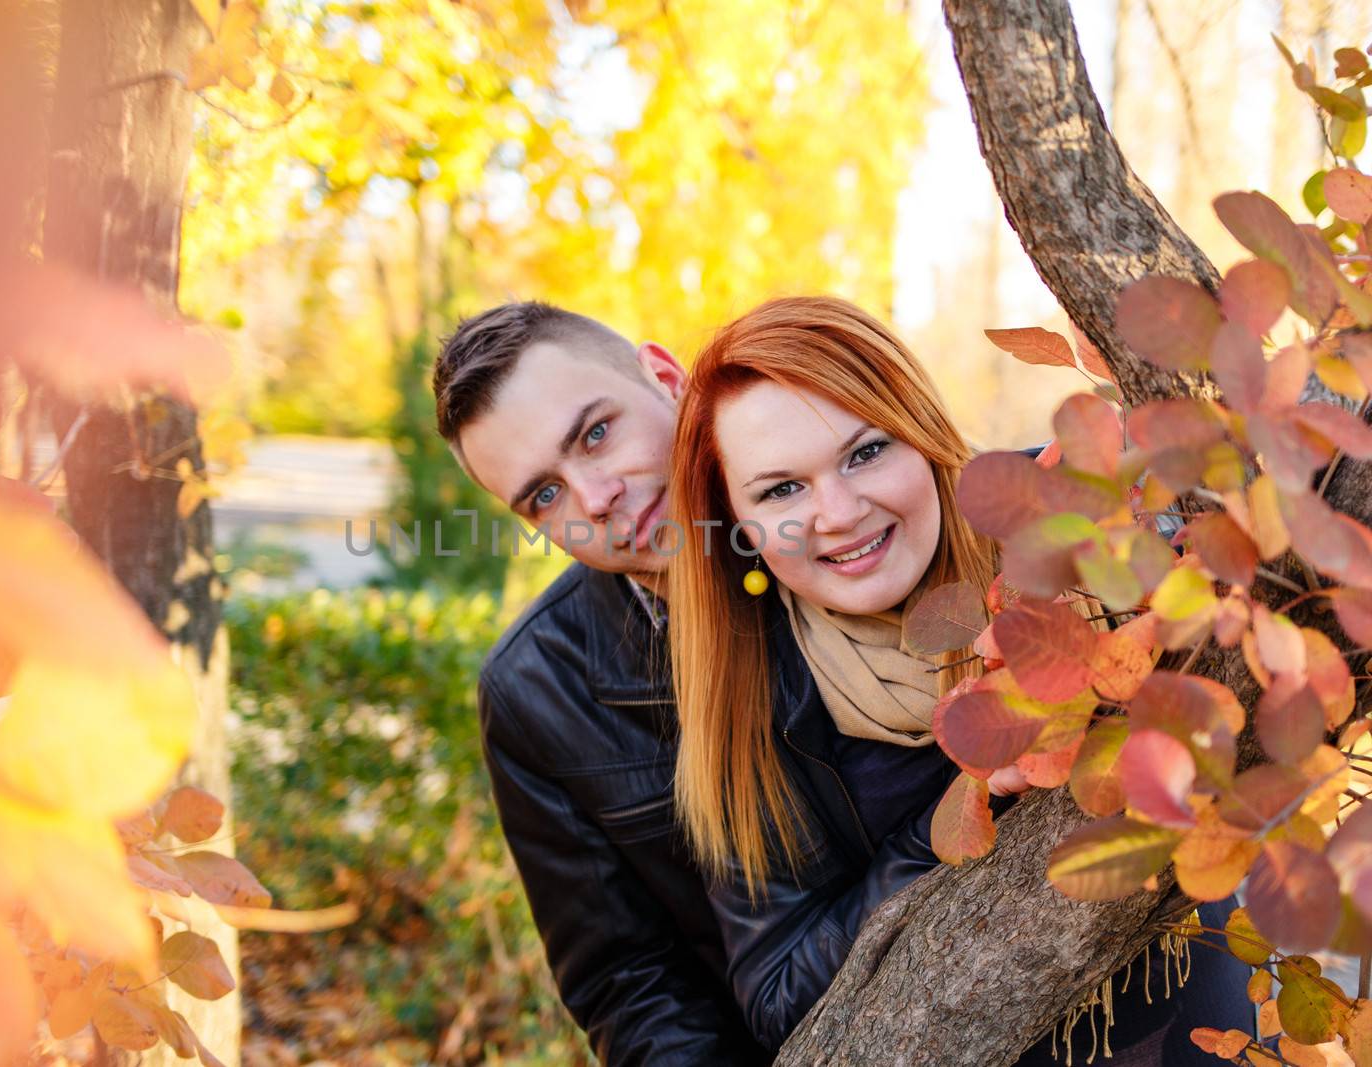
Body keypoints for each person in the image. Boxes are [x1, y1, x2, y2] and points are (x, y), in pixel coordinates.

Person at [665, 295, 1253, 1063]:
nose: (838, 513)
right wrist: (970, 805)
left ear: (925, 436)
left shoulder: (1079, 529)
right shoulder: (755, 700)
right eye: (781, 490)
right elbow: (779, 996)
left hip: (1210, 1033)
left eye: (866, 451)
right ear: (737, 522)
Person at [431, 301, 936, 1064]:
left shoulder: (854, 533)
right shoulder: (539, 687)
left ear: (666, 379)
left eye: (596, 433)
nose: (594, 498)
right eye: (544, 494)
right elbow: (627, 981)